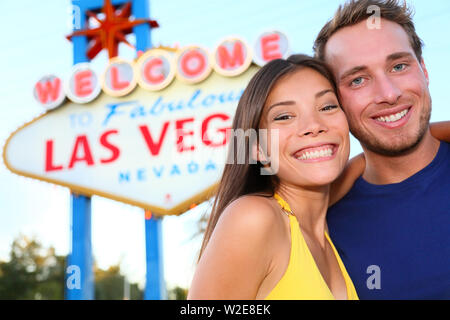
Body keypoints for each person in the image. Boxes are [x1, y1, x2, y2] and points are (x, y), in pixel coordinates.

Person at [188, 55, 360, 300]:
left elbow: (374, 161)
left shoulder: (324, 234)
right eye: (284, 116)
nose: (314, 125)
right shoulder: (254, 218)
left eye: (327, 107)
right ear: (257, 148)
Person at [313, 0, 450, 299]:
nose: (388, 94)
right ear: (334, 102)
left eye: (399, 66)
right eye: (358, 80)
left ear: (424, 70)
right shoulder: (319, 229)